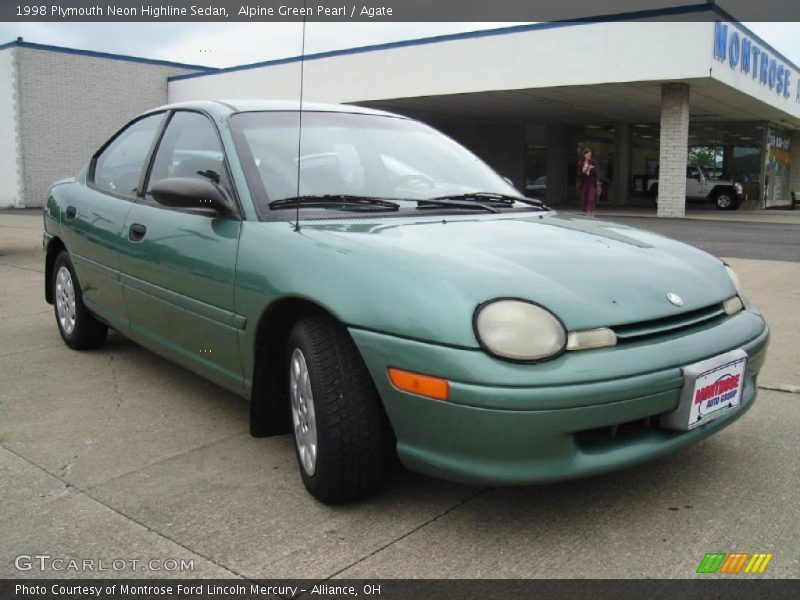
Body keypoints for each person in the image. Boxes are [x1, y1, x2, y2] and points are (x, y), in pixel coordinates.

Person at [577, 148, 598, 217]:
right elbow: (579, 174)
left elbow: (595, 173)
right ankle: (587, 211)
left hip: (591, 182)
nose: (589, 156)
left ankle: (591, 213)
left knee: (591, 197)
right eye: (588, 154)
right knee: (585, 197)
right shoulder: (580, 163)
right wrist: (585, 170)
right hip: (584, 182)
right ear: (584, 155)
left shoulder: (592, 162)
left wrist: (591, 169)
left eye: (590, 154)